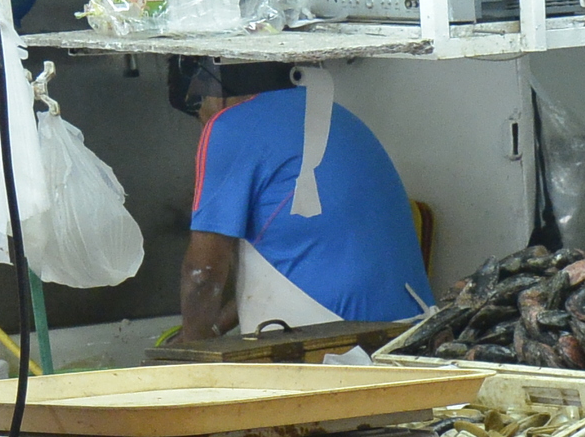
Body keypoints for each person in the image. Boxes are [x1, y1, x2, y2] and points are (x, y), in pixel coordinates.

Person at [172, 57, 431, 341]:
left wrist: (188, 356)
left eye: (198, 107)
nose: (202, 119)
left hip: (338, 345)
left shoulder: (231, 126)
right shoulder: (334, 115)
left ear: (211, 89)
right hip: (413, 331)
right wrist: (216, 327)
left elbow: (204, 273)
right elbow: (297, 266)